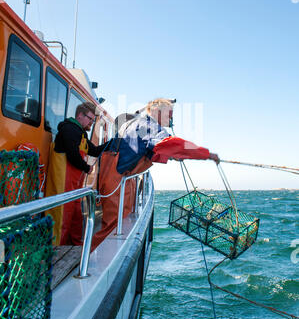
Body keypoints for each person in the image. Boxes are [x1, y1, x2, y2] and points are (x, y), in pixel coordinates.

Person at [91, 98, 219, 249]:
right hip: (117, 178)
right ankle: (91, 260)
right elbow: (169, 143)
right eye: (169, 114)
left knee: (118, 222)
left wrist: (171, 155)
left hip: (118, 175)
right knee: (112, 227)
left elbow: (146, 149)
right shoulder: (148, 126)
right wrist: (205, 154)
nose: (171, 119)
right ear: (158, 112)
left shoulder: (136, 123)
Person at [46, 102, 108, 245]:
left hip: (75, 187)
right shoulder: (69, 129)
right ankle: (56, 251)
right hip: (63, 185)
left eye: (93, 120)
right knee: (62, 219)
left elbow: (94, 151)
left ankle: (74, 246)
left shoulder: (81, 134)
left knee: (75, 218)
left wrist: (112, 142)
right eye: (90, 119)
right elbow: (72, 155)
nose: (92, 123)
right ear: (80, 115)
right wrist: (87, 168)